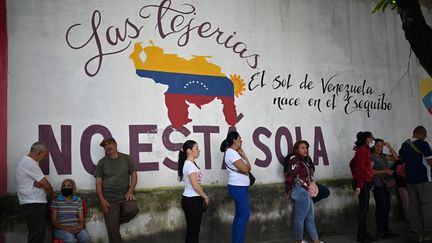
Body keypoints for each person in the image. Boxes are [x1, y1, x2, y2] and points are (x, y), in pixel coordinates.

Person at [95, 137, 139, 243]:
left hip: (125, 196)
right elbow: (98, 182)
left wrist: (130, 191)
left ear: (115, 144)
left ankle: (113, 222)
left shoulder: (127, 158)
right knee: (113, 236)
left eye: (110, 144)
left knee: (133, 209)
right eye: (105, 146)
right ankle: (112, 224)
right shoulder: (101, 163)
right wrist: (101, 199)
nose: (108, 147)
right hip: (109, 200)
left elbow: (134, 175)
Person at [15, 141, 55, 243]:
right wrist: (52, 193)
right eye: (44, 155)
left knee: (38, 234)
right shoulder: (30, 163)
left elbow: (38, 183)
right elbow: (45, 184)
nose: (44, 158)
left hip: (31, 203)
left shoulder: (25, 162)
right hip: (33, 204)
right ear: (39, 153)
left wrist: (39, 183)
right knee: (37, 236)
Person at [284, 140, 323, 243]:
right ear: (296, 149)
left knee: (310, 218)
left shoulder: (304, 160)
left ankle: (316, 241)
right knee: (300, 218)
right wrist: (288, 190)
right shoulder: (295, 160)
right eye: (302, 148)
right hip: (300, 190)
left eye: (306, 148)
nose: (305, 150)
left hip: (306, 191)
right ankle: (299, 241)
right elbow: (290, 176)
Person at [398, 126, 432, 235]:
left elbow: (402, 158)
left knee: (413, 204)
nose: (424, 138)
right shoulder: (423, 144)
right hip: (424, 179)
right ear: (421, 134)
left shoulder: (404, 144)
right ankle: (428, 229)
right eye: (424, 136)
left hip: (409, 179)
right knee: (426, 204)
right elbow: (430, 162)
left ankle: (415, 228)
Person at [220, 131, 252, 243]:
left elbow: (249, 167)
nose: (241, 140)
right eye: (240, 138)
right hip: (237, 187)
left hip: (241, 187)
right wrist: (244, 159)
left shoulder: (235, 152)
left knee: (239, 215)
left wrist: (243, 155)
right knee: (244, 214)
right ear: (234, 140)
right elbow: (246, 169)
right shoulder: (231, 152)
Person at [178, 140, 209, 243]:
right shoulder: (189, 165)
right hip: (192, 201)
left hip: (192, 200)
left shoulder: (191, 164)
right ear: (189, 151)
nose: (199, 150)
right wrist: (205, 196)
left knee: (192, 231)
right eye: (196, 148)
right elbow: (195, 186)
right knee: (193, 231)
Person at [349, 131, 376, 243]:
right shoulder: (362, 150)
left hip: (365, 182)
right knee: (363, 209)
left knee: (364, 209)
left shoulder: (363, 150)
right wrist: (359, 185)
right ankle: (361, 235)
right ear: (367, 139)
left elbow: (352, 164)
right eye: (371, 139)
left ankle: (364, 233)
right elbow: (358, 168)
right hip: (363, 183)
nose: (373, 141)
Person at [370, 139, 399, 239]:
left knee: (386, 207)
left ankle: (386, 229)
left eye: (381, 146)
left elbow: (396, 159)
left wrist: (389, 147)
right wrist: (384, 171)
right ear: (373, 146)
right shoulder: (372, 156)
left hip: (386, 185)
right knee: (380, 208)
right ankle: (380, 231)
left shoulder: (382, 156)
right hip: (378, 185)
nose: (380, 148)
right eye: (378, 146)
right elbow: (370, 171)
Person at [51, 178, 90, 243]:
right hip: (60, 229)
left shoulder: (78, 200)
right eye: (64, 186)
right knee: (70, 238)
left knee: (85, 237)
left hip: (75, 227)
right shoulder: (55, 201)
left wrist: (79, 227)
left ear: (73, 188)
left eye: (69, 186)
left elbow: (81, 219)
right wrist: (67, 229)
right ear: (61, 188)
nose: (66, 187)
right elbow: (53, 222)